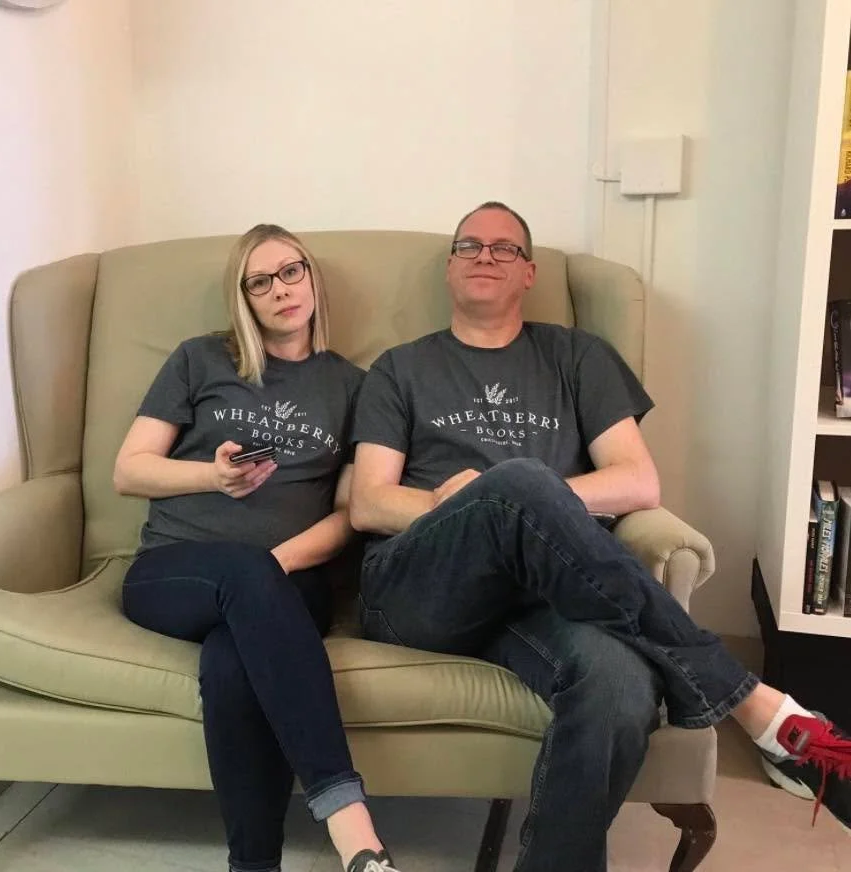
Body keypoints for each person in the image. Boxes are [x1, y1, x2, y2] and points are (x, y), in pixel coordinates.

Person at [348, 201, 851, 871]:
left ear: (529, 272)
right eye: (468, 246)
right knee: (515, 484)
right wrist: (475, 503)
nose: (484, 256)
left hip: (548, 594)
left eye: (504, 248)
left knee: (619, 687)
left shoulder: (577, 356)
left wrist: (527, 501)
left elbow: (637, 482)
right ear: (449, 267)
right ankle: (745, 698)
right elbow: (369, 503)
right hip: (421, 591)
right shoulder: (400, 367)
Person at [114, 224, 402, 872]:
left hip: (290, 578)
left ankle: (252, 866)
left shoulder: (354, 386)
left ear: (311, 277)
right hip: (176, 570)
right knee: (241, 579)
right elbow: (128, 471)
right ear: (243, 297)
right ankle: (354, 831)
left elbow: (350, 513)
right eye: (260, 281)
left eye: (291, 272)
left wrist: (273, 568)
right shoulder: (200, 359)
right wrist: (211, 477)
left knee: (230, 664)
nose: (280, 289)